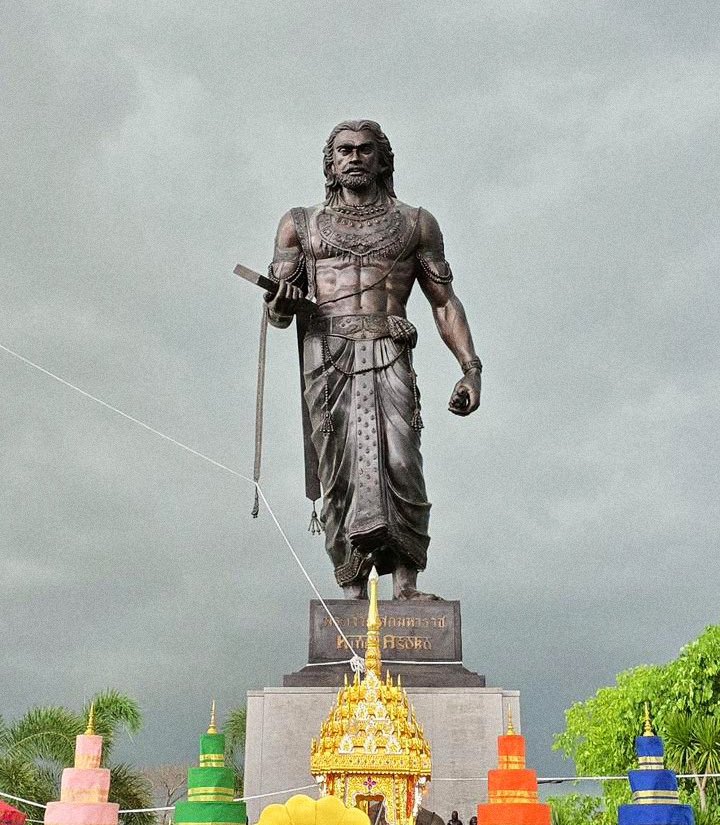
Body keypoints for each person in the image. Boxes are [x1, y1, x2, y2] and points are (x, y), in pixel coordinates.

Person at [266, 120, 482, 599]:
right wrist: (279, 302)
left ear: (382, 159)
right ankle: (353, 594)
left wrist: (471, 369)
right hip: (328, 359)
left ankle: (406, 586)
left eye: (365, 149)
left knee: (402, 464)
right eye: (344, 150)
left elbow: (444, 302)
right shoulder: (299, 224)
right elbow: (279, 313)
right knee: (339, 473)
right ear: (331, 161)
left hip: (391, 352)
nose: (355, 157)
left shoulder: (416, 222)